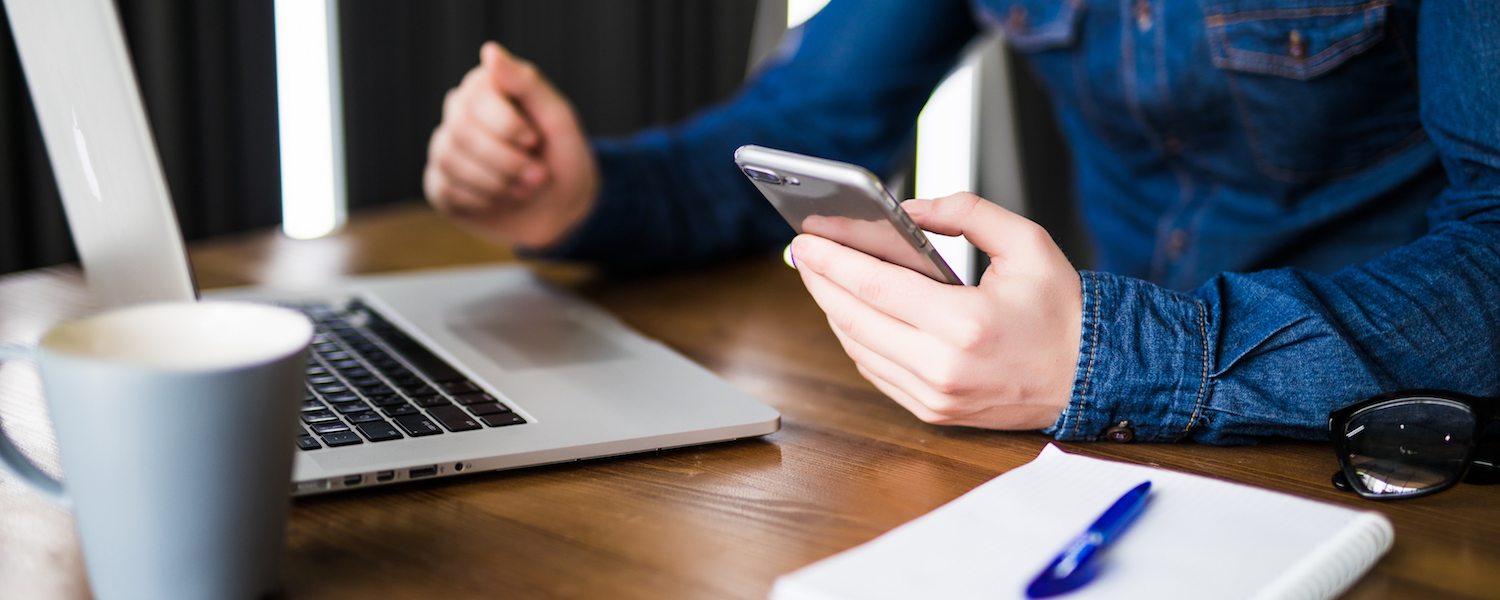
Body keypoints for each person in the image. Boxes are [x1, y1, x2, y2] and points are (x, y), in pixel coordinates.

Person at [421, 0, 1500, 444]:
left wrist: (1114, 354)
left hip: (1391, 449)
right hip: (1101, 446)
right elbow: (806, 124)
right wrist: (576, 195)